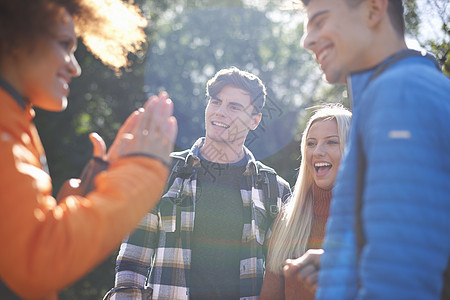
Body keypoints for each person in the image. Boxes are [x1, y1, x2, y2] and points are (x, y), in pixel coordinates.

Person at [0, 1, 177, 299]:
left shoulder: (16, 121)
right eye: (64, 45)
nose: (75, 66)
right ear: (16, 35)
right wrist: (140, 172)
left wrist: (86, 199)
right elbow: (38, 262)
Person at [285, 0, 450, 299]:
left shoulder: (400, 95)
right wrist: (341, 262)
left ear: (374, 9)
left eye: (320, 21)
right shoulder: (402, 89)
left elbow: (400, 278)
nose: (307, 40)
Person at [108, 67, 292, 299]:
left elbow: (281, 275)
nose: (220, 112)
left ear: (255, 120)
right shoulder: (163, 172)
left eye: (234, 107)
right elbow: (132, 262)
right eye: (216, 102)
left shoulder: (276, 189)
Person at [259, 104, 351, 300]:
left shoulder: (373, 219)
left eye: (332, 142)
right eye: (311, 143)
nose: (317, 151)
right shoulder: (287, 219)